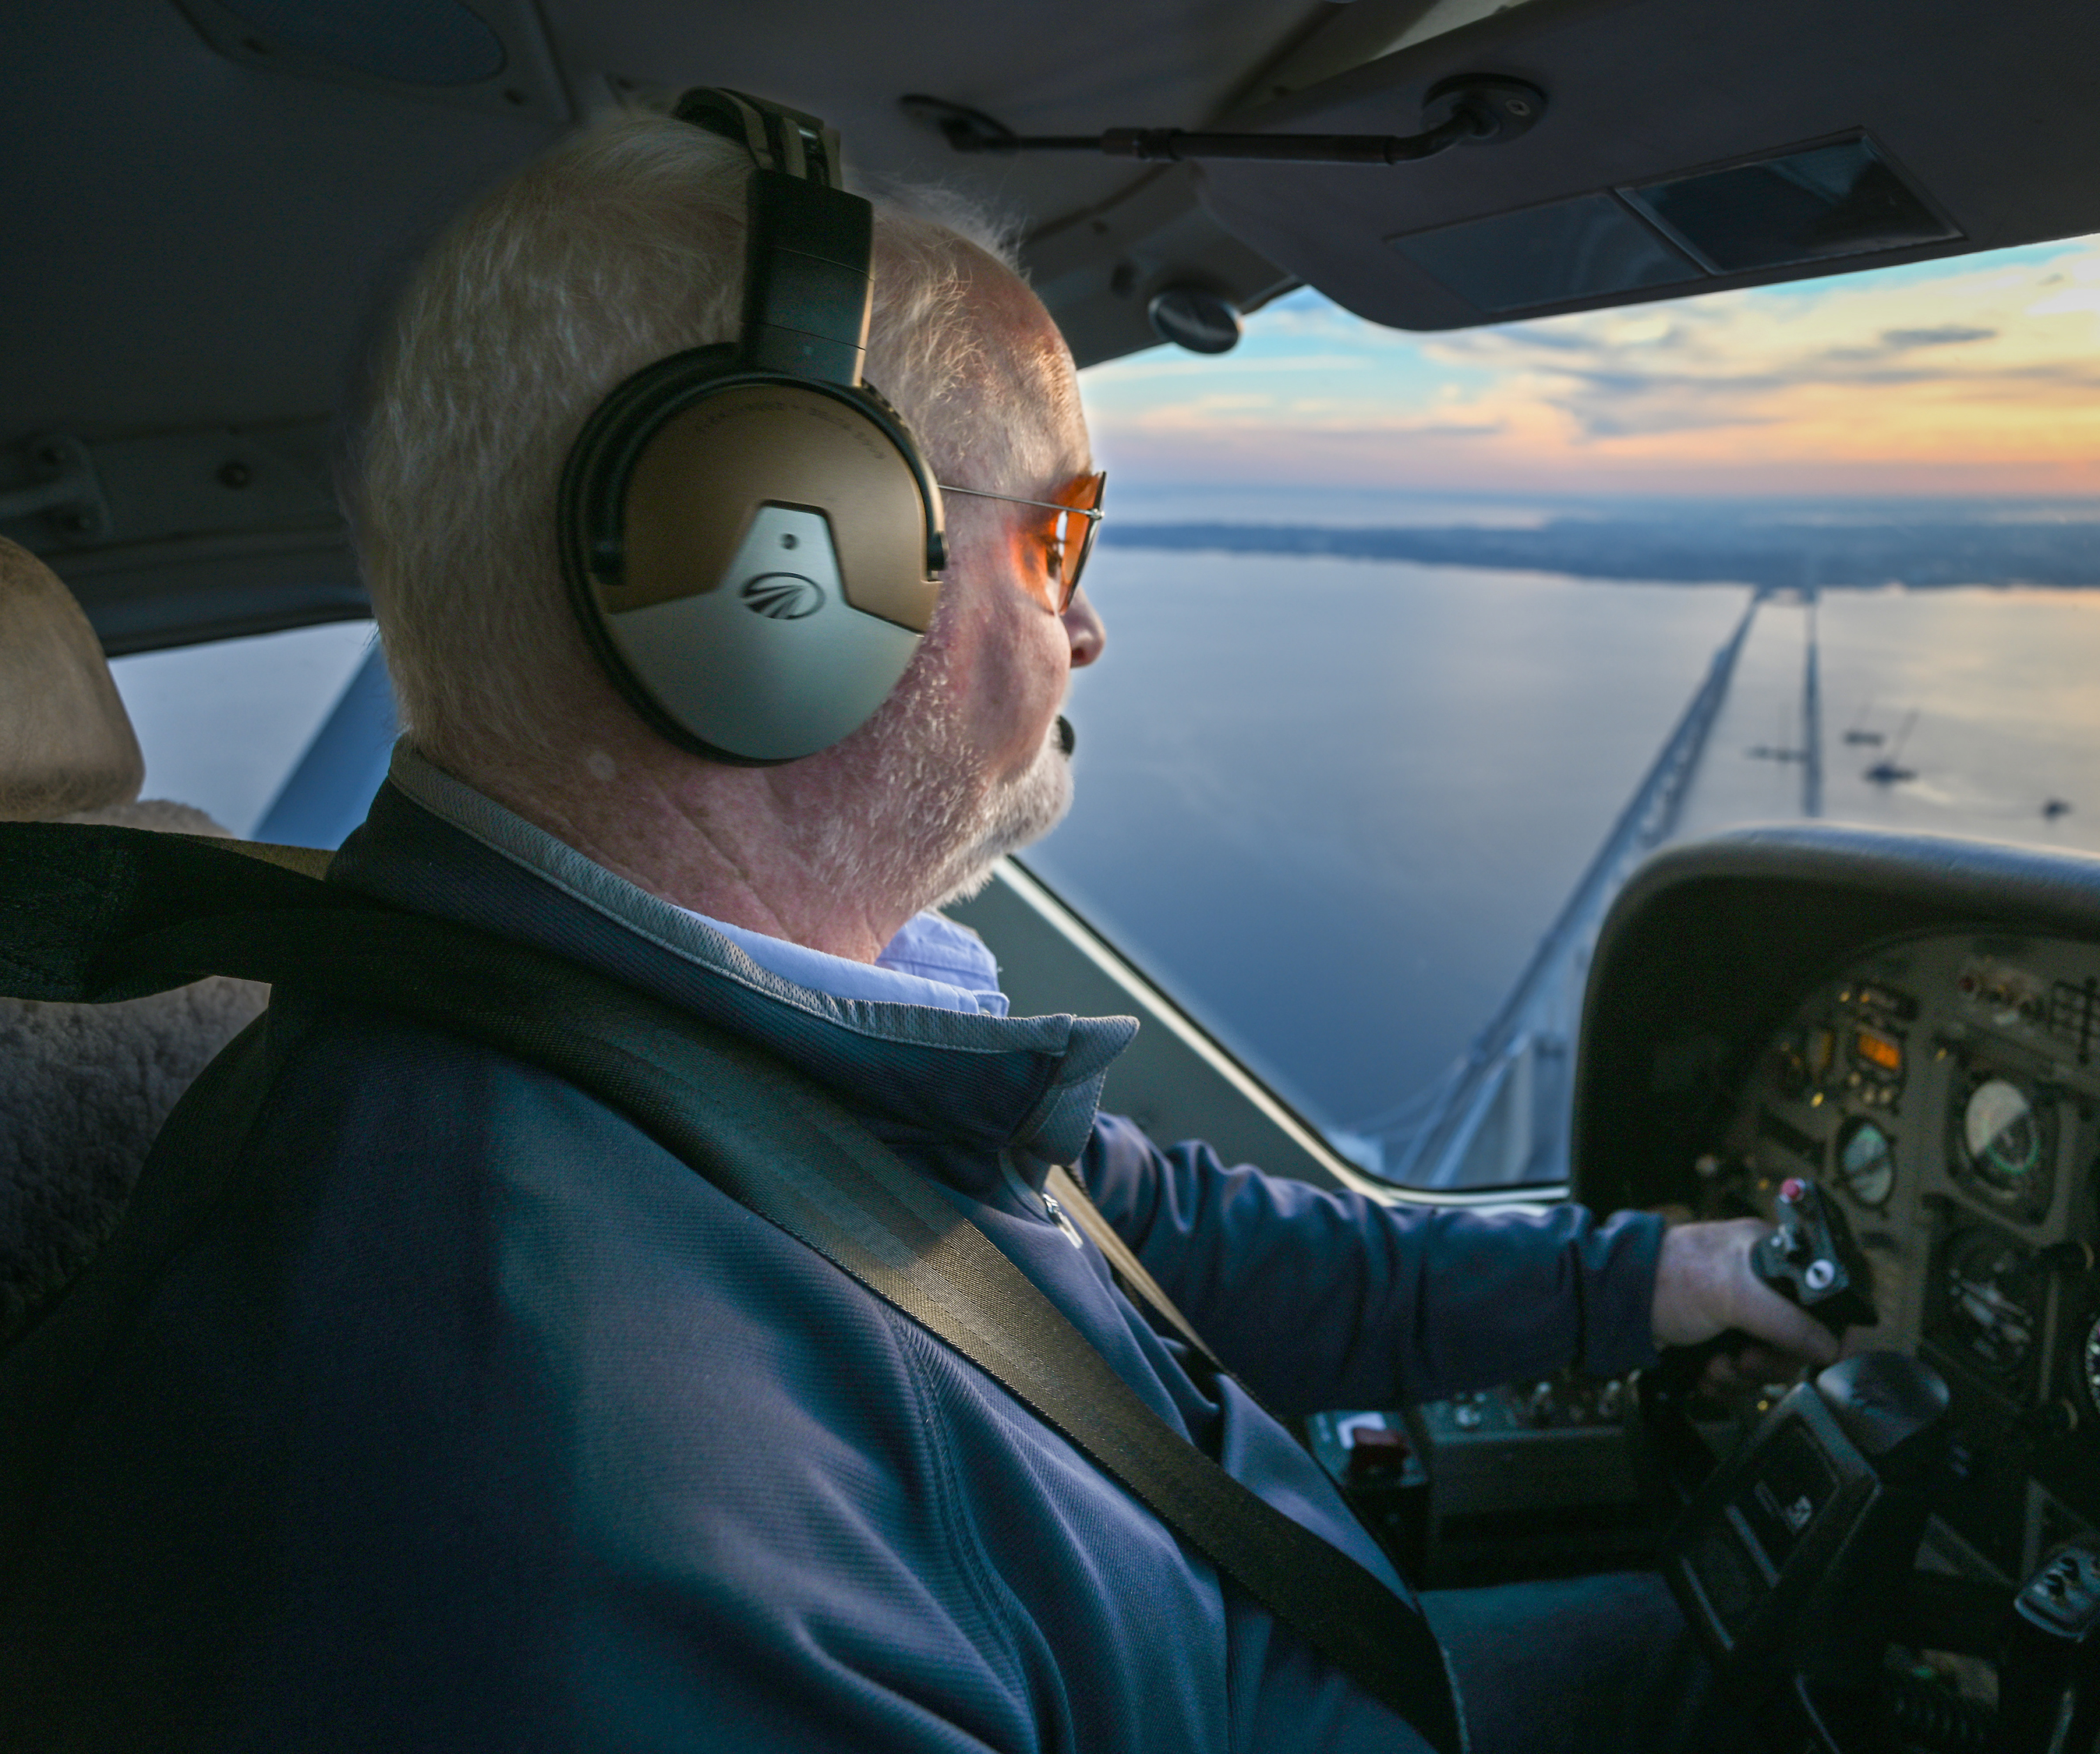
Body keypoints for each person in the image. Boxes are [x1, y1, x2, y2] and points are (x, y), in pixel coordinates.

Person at [0, 109, 1837, 1749]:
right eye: (1064, 537)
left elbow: (1136, 1240)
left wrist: (1664, 1282)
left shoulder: (657, 1035)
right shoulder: (574, 1503)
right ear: (782, 577)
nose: (1086, 630)